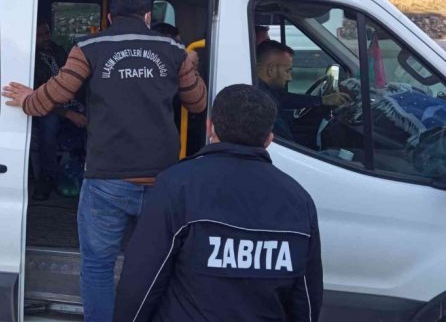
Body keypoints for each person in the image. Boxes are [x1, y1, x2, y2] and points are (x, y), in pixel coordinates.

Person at [3, 0, 207, 321]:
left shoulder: (88, 47)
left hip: (107, 179)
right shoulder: (174, 50)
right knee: (154, 266)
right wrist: (189, 68)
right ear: (148, 17)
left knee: (98, 266)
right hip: (162, 180)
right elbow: (197, 103)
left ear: (110, 17)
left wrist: (27, 99)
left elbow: (54, 96)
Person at [114, 84, 323, 321]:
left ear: (210, 127)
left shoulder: (177, 186)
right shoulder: (299, 201)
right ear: (269, 139)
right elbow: (306, 297)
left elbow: (143, 279)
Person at [31, 18, 87, 200]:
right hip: (46, 106)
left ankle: (88, 172)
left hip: (69, 100)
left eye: (47, 33)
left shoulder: (59, 51)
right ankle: (47, 177)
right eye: (40, 35)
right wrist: (68, 114)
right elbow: (38, 96)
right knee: (49, 126)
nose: (45, 38)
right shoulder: (31, 59)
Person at [256, 40, 350, 140]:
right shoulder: (261, 104)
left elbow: (286, 98)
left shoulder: (264, 92)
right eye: (287, 71)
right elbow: (287, 141)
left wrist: (323, 100)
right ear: (271, 69)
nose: (290, 78)